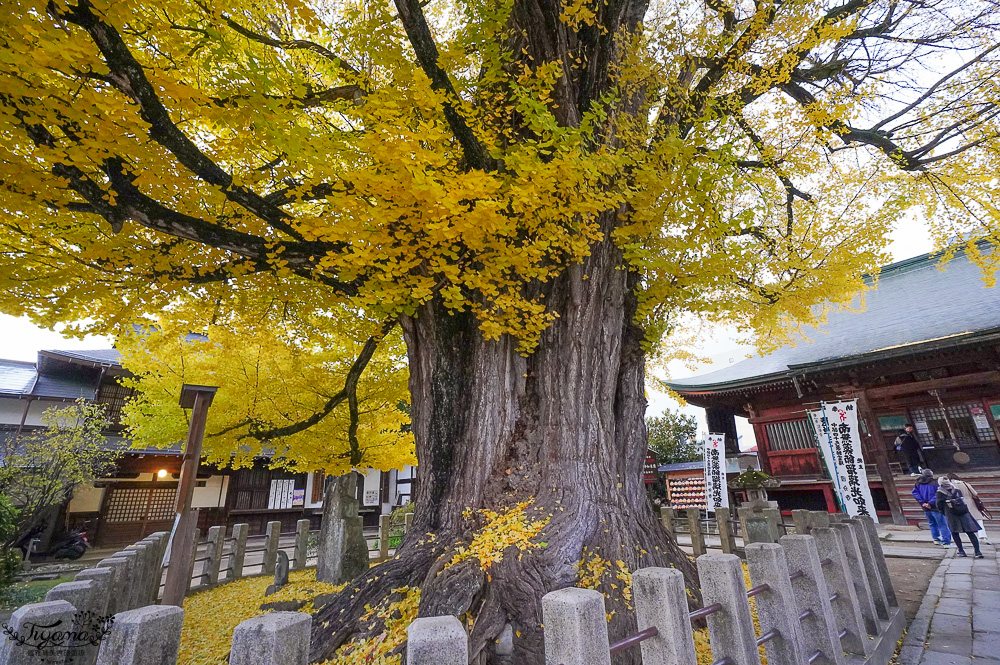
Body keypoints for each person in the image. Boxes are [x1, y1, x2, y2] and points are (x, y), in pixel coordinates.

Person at [937, 477, 984, 558]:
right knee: (970, 532)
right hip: (963, 512)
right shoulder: (957, 490)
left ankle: (961, 551)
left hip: (951, 514)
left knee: (955, 533)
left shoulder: (940, 492)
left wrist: (944, 512)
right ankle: (977, 551)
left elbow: (939, 505)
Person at [912, 469, 951, 547]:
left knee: (932, 523)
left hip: (925, 507)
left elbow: (915, 493)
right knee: (942, 524)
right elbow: (938, 494)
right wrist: (930, 502)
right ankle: (946, 542)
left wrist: (923, 502)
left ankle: (936, 539)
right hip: (936, 507)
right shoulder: (935, 483)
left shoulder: (918, 483)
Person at [947, 473, 990, 544]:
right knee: (978, 520)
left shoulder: (951, 485)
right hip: (971, 503)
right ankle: (982, 536)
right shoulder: (965, 484)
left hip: (960, 504)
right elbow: (974, 493)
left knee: (965, 521)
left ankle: (971, 536)